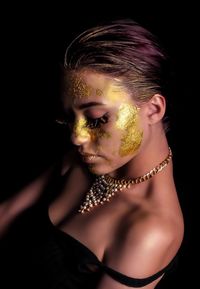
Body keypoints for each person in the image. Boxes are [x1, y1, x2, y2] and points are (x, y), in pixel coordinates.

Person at [0, 18, 184, 289]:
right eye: (68, 119)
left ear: (154, 109)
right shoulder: (79, 159)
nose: (77, 137)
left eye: (97, 118)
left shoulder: (150, 230)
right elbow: (5, 215)